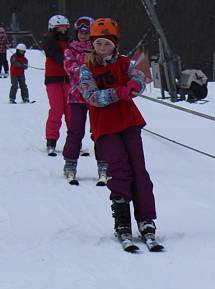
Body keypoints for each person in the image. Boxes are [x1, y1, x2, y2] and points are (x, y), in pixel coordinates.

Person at [77, 18, 159, 243]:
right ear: (93, 44)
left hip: (129, 121)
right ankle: (122, 218)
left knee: (138, 169)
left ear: (115, 44)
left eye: (107, 44)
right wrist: (118, 93)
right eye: (99, 43)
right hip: (105, 126)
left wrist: (135, 86)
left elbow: (140, 79)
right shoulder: (86, 69)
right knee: (119, 170)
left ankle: (146, 218)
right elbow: (91, 96)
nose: (103, 48)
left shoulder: (124, 63)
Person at [62, 16, 106, 186]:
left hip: (96, 96)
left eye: (87, 32)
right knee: (75, 131)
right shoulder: (70, 50)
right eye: (80, 32)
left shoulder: (99, 49)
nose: (83, 35)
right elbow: (70, 69)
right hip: (77, 97)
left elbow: (104, 68)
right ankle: (70, 164)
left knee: (99, 131)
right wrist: (86, 69)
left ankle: (104, 165)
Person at [42, 14, 71, 156]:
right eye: (61, 28)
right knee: (57, 109)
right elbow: (56, 56)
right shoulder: (48, 41)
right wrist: (69, 61)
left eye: (65, 28)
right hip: (53, 79)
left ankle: (73, 142)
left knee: (71, 110)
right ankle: (51, 141)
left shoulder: (70, 42)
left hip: (67, 79)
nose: (63, 31)